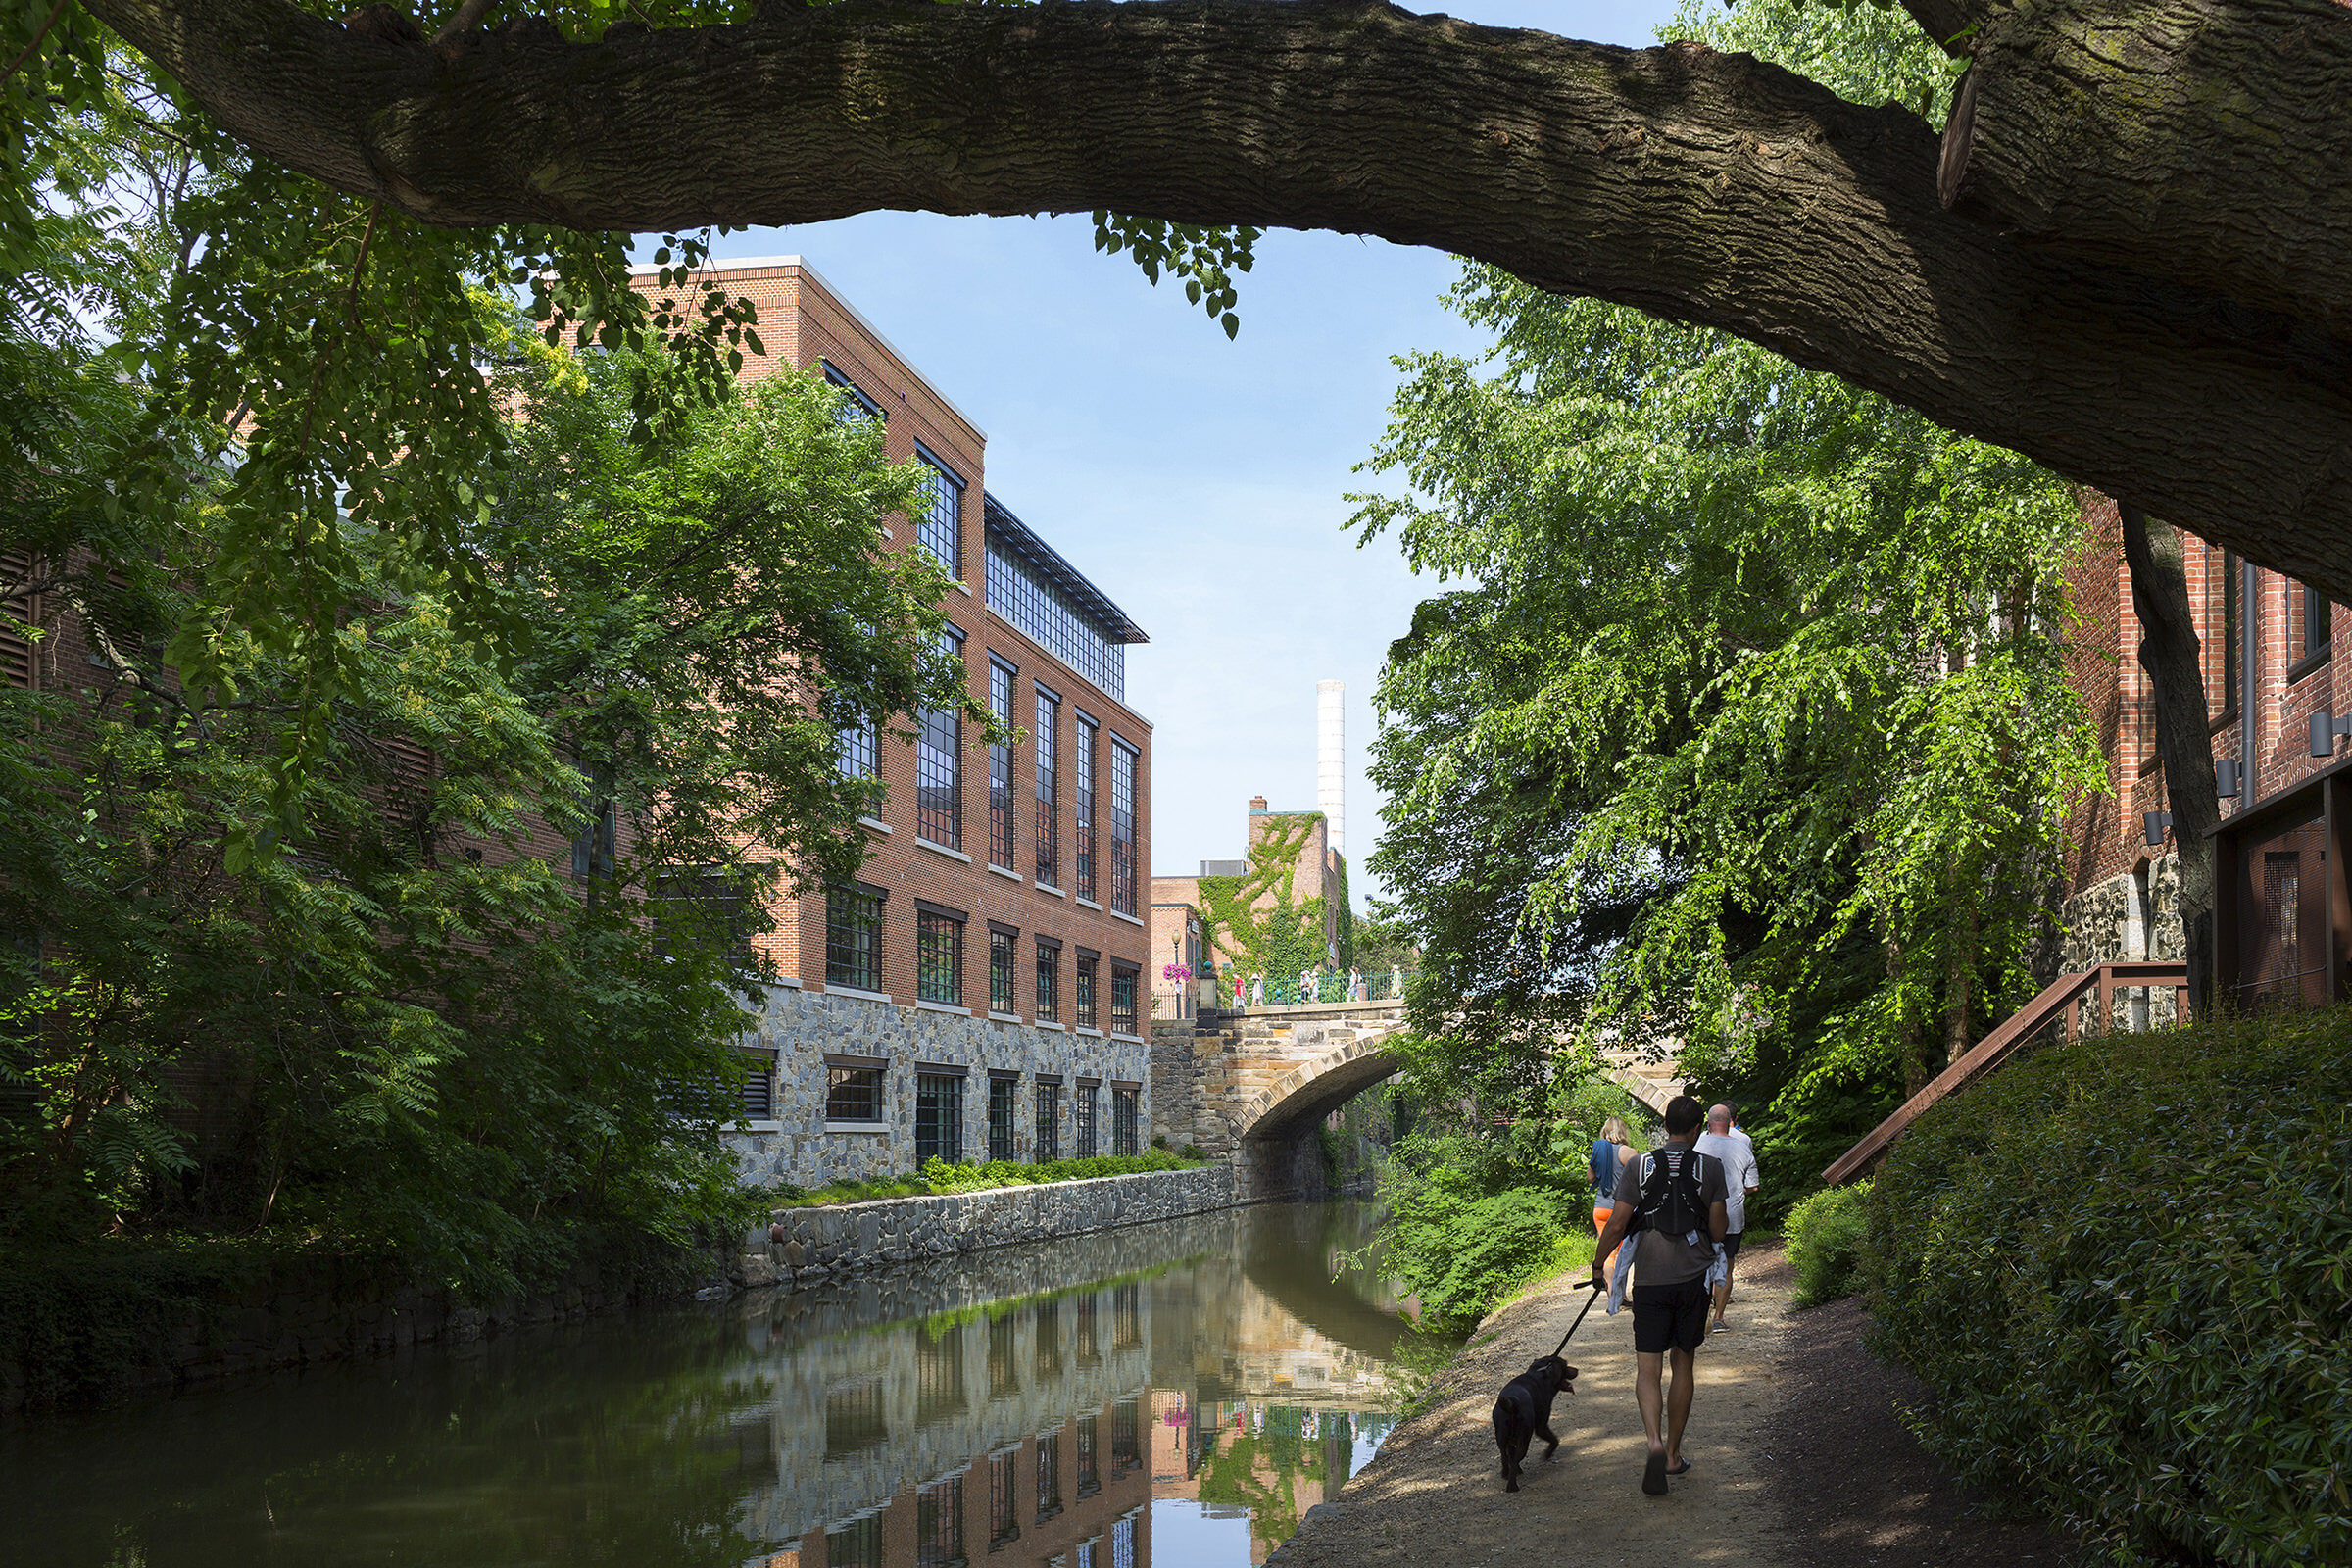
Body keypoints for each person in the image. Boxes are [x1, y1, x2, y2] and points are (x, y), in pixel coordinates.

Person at [1591, 1095, 1728, 1495]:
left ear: (1666, 1125)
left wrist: (1600, 1265)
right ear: (1697, 1128)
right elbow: (1718, 1231)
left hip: (1650, 1280)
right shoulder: (1711, 1167)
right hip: (1692, 1279)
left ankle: (1651, 1441)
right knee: (1683, 1362)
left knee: (1647, 1368)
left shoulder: (1639, 1165)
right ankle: (1671, 1455)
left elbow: (1616, 1224)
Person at [1694, 1103, 1761, 1332]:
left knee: (1698, 1266)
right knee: (1726, 1267)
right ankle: (1719, 1318)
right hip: (1731, 1216)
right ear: (1731, 1121)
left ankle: (1697, 1315)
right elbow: (1752, 1187)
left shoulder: (1696, 1145)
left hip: (1700, 1216)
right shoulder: (1743, 1146)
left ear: (1709, 1123)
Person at [1588, 1115, 1635, 1273]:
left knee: (1607, 1252)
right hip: (1622, 1210)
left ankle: (1611, 1293)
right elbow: (1640, 1181)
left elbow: (1590, 1178)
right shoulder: (1630, 1153)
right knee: (1622, 1253)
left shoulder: (1599, 1151)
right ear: (1623, 1131)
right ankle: (1619, 1295)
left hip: (1600, 1208)